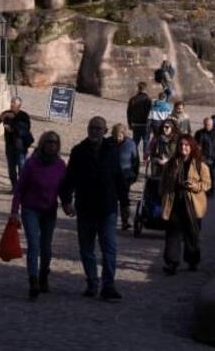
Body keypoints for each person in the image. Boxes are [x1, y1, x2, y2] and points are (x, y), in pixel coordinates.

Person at [60, 115, 125, 300]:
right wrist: (66, 200)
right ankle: (92, 282)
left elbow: (118, 177)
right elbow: (69, 177)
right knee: (86, 248)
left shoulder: (112, 150)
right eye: (92, 128)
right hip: (86, 206)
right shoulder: (78, 151)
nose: (94, 131)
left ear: (105, 131)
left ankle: (108, 285)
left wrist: (125, 203)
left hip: (107, 207)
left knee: (109, 247)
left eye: (98, 128)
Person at [11, 130, 66, 298]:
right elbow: (20, 188)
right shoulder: (32, 163)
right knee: (34, 245)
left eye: (55, 143)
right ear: (42, 144)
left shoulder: (60, 165)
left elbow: (63, 188)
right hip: (31, 209)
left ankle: (44, 275)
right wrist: (14, 211)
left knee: (46, 247)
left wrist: (67, 203)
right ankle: (33, 279)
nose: (51, 145)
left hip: (49, 210)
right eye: (49, 142)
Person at [162, 135, 212, 274]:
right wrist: (163, 194)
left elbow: (207, 184)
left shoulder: (200, 165)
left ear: (191, 147)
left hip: (192, 203)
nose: (183, 147)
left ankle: (192, 261)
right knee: (172, 234)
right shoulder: (171, 163)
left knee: (192, 234)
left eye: (186, 145)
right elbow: (164, 181)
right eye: (181, 145)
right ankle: (172, 263)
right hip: (175, 201)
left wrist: (194, 186)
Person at [0, 97, 36, 188]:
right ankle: (14, 187)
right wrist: (2, 117)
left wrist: (13, 124)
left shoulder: (23, 116)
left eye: (14, 103)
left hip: (20, 146)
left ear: (19, 105)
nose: (11, 104)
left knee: (21, 167)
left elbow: (24, 128)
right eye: (11, 102)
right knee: (11, 168)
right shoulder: (7, 113)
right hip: (9, 145)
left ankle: (22, 187)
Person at [127, 82, 153, 149]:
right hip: (146, 124)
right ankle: (145, 158)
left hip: (136, 124)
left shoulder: (133, 99)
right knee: (146, 141)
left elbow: (129, 112)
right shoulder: (148, 100)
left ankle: (134, 157)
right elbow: (150, 113)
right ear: (146, 89)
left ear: (138, 88)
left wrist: (129, 123)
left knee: (135, 142)